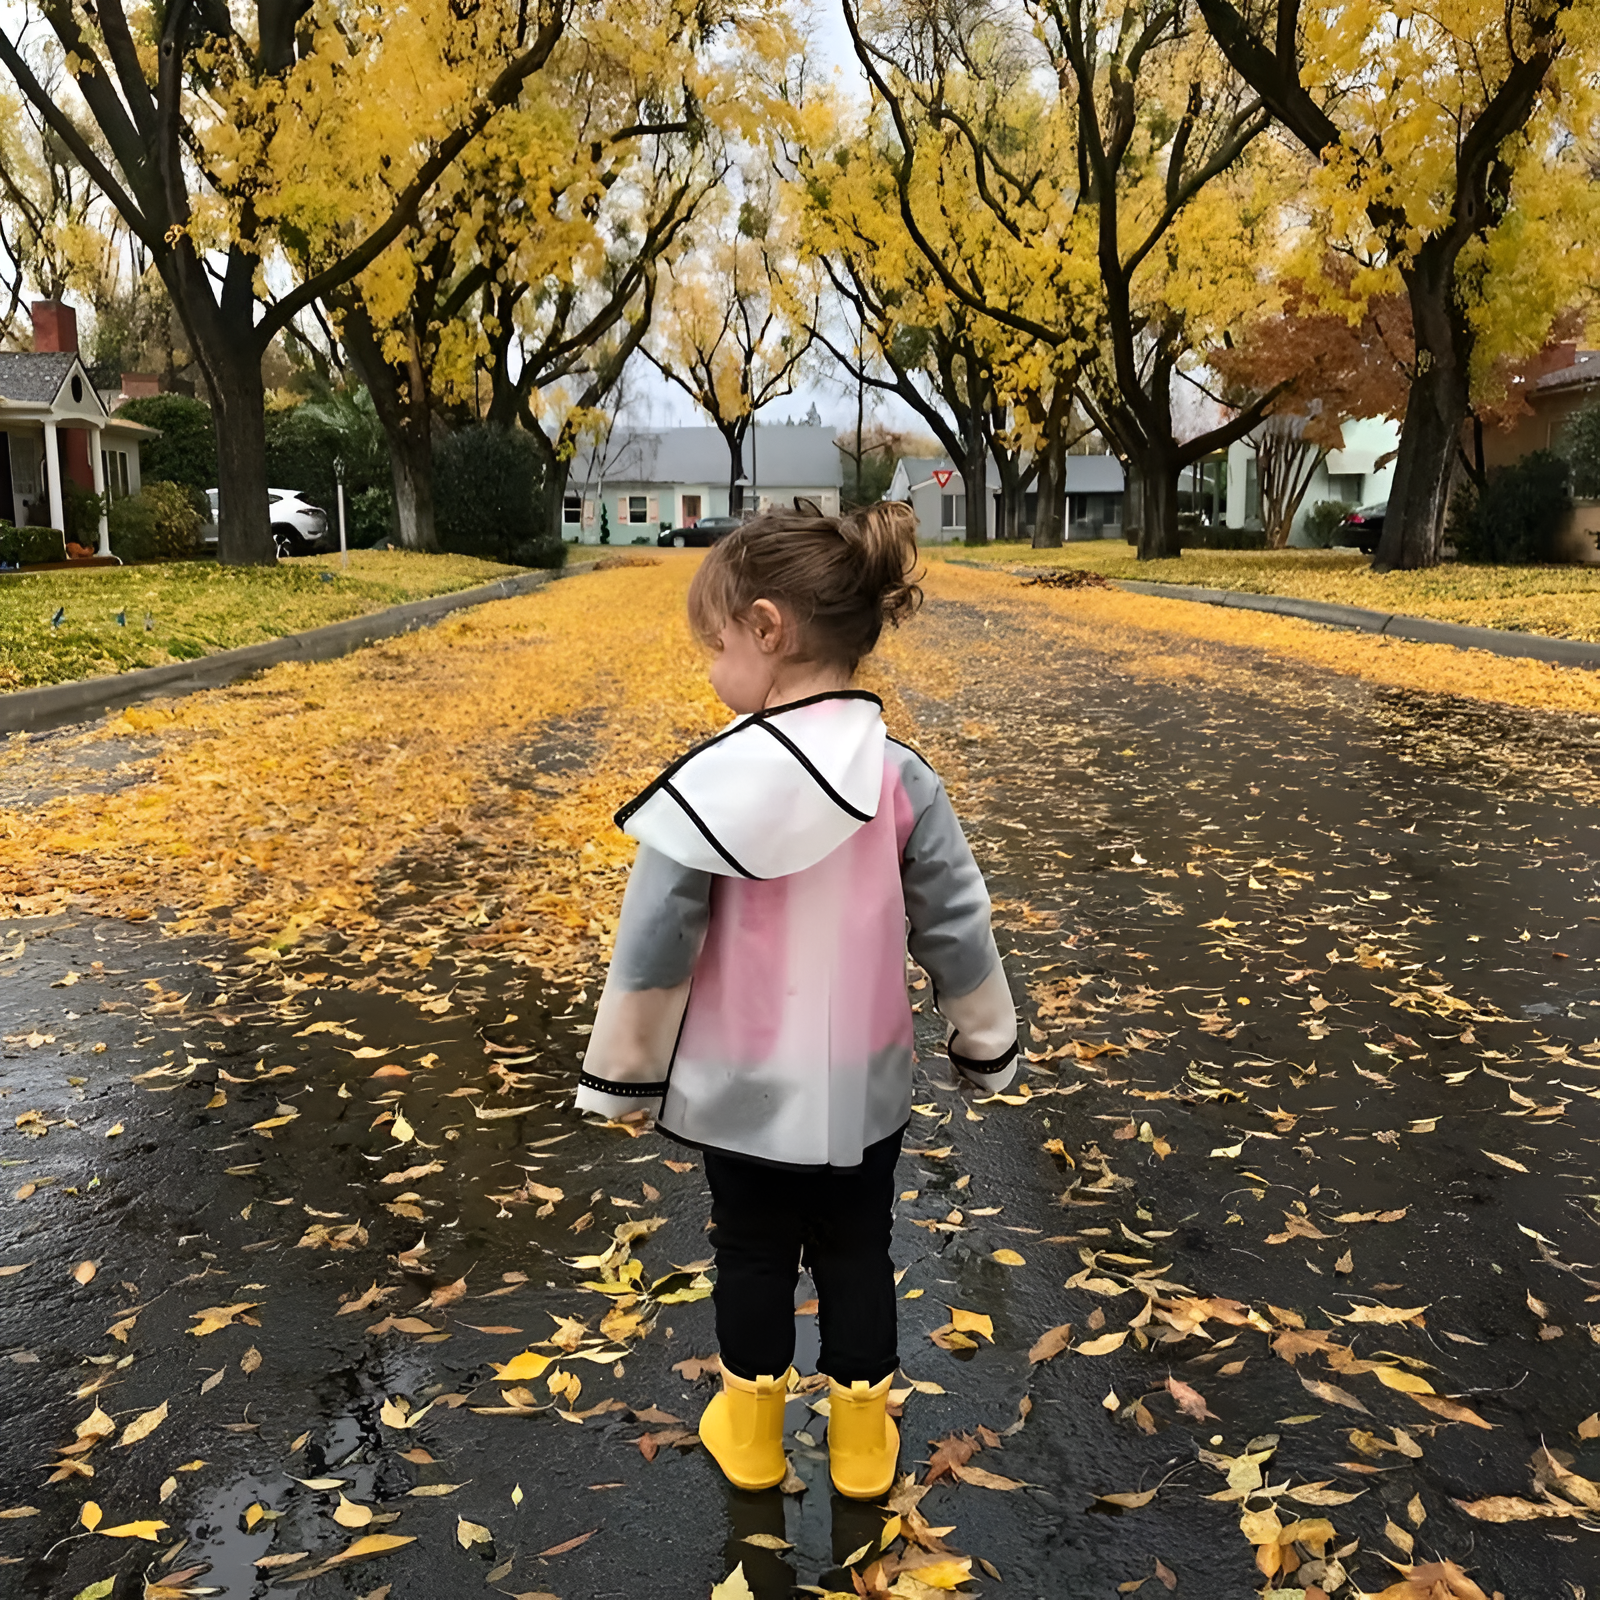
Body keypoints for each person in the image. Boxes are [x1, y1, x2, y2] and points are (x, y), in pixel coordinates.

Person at [574, 502, 1017, 1501]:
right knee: (859, 1252)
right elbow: (957, 923)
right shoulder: (903, 781)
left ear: (768, 631)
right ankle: (863, 1446)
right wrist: (984, 1040)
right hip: (864, 1086)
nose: (711, 665)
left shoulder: (715, 786)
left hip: (742, 1090)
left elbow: (655, 942)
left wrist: (623, 1079)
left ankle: (755, 1431)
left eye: (717, 643)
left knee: (754, 1255)